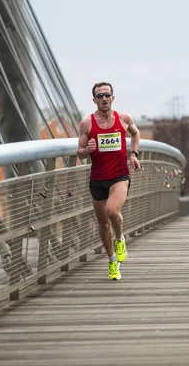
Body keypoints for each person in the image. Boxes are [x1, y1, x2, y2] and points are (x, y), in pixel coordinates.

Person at [77, 82, 141, 280]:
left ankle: (120, 239)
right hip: (97, 178)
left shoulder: (123, 118)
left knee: (112, 211)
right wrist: (88, 149)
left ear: (112, 98)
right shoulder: (86, 124)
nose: (104, 98)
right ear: (94, 100)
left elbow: (136, 133)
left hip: (120, 175)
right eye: (100, 96)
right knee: (103, 224)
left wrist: (134, 154)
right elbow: (80, 153)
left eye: (107, 95)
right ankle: (113, 263)